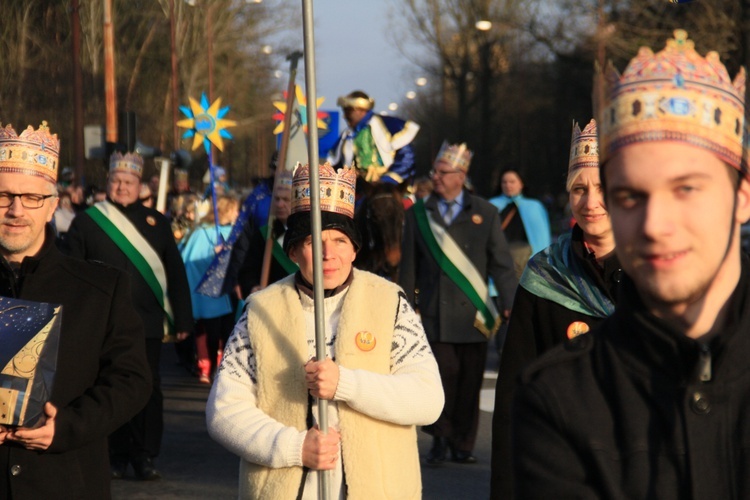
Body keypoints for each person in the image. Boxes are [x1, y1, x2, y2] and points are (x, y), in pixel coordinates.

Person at [512, 30, 750, 498]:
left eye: (687, 188)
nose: (655, 224)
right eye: (629, 195)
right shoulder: (562, 400)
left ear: (743, 198)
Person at [206, 163, 443, 499]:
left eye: (340, 240)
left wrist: (346, 383)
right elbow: (224, 412)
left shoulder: (389, 303)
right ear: (293, 251)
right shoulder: (261, 312)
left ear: (354, 248)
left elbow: (427, 399)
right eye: (313, 241)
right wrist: (294, 447)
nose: (328, 254)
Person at [0, 121, 151, 498]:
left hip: (66, 481)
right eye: (3, 196)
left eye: (31, 197)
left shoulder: (99, 289)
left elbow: (132, 380)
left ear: (52, 205)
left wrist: (67, 426)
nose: (16, 210)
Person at [490, 119, 621, 498]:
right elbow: (515, 391)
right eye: (579, 189)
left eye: (603, 188)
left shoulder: (660, 271)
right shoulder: (545, 275)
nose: (591, 202)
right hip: (564, 473)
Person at [66, 151, 194, 481]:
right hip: (102, 324)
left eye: (129, 181)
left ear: (140, 185)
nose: (122, 186)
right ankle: (114, 454)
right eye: (116, 180)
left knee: (148, 388)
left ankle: (144, 454)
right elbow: (71, 273)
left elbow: (176, 274)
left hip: (146, 323)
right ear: (108, 182)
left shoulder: (157, 223)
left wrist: (183, 320)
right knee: (105, 386)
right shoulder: (89, 221)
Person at [399, 142, 517, 464]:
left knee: (470, 380)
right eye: (434, 171)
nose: (435, 177)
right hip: (435, 313)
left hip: (476, 315)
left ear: (460, 176)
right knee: (440, 378)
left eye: (442, 172)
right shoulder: (419, 215)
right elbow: (408, 268)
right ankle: (439, 438)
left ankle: (463, 443)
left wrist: (510, 302)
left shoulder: (485, 212)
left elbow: (502, 264)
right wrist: (404, 309)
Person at [180, 194, 240, 383]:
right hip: (210, 292)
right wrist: (212, 256)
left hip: (229, 289)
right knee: (213, 333)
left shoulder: (235, 231)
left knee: (229, 331)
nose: (238, 213)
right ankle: (212, 367)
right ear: (227, 211)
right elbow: (188, 259)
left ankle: (225, 368)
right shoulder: (202, 233)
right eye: (235, 210)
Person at [327, 90, 420, 185]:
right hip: (361, 189)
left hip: (390, 187)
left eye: (348, 111)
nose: (344, 116)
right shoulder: (347, 136)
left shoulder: (391, 126)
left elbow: (406, 156)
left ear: (359, 110)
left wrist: (389, 179)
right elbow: (337, 165)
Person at [235, 169, 297, 296]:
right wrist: (253, 287)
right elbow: (248, 271)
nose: (280, 204)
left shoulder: (313, 234)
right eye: (277, 199)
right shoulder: (264, 235)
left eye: (286, 199)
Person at [489, 168, 551, 278]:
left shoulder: (534, 207)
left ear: (521, 184)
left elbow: (542, 239)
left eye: (512, 182)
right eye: (504, 182)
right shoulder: (492, 205)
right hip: (498, 261)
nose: (508, 185)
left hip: (526, 262)